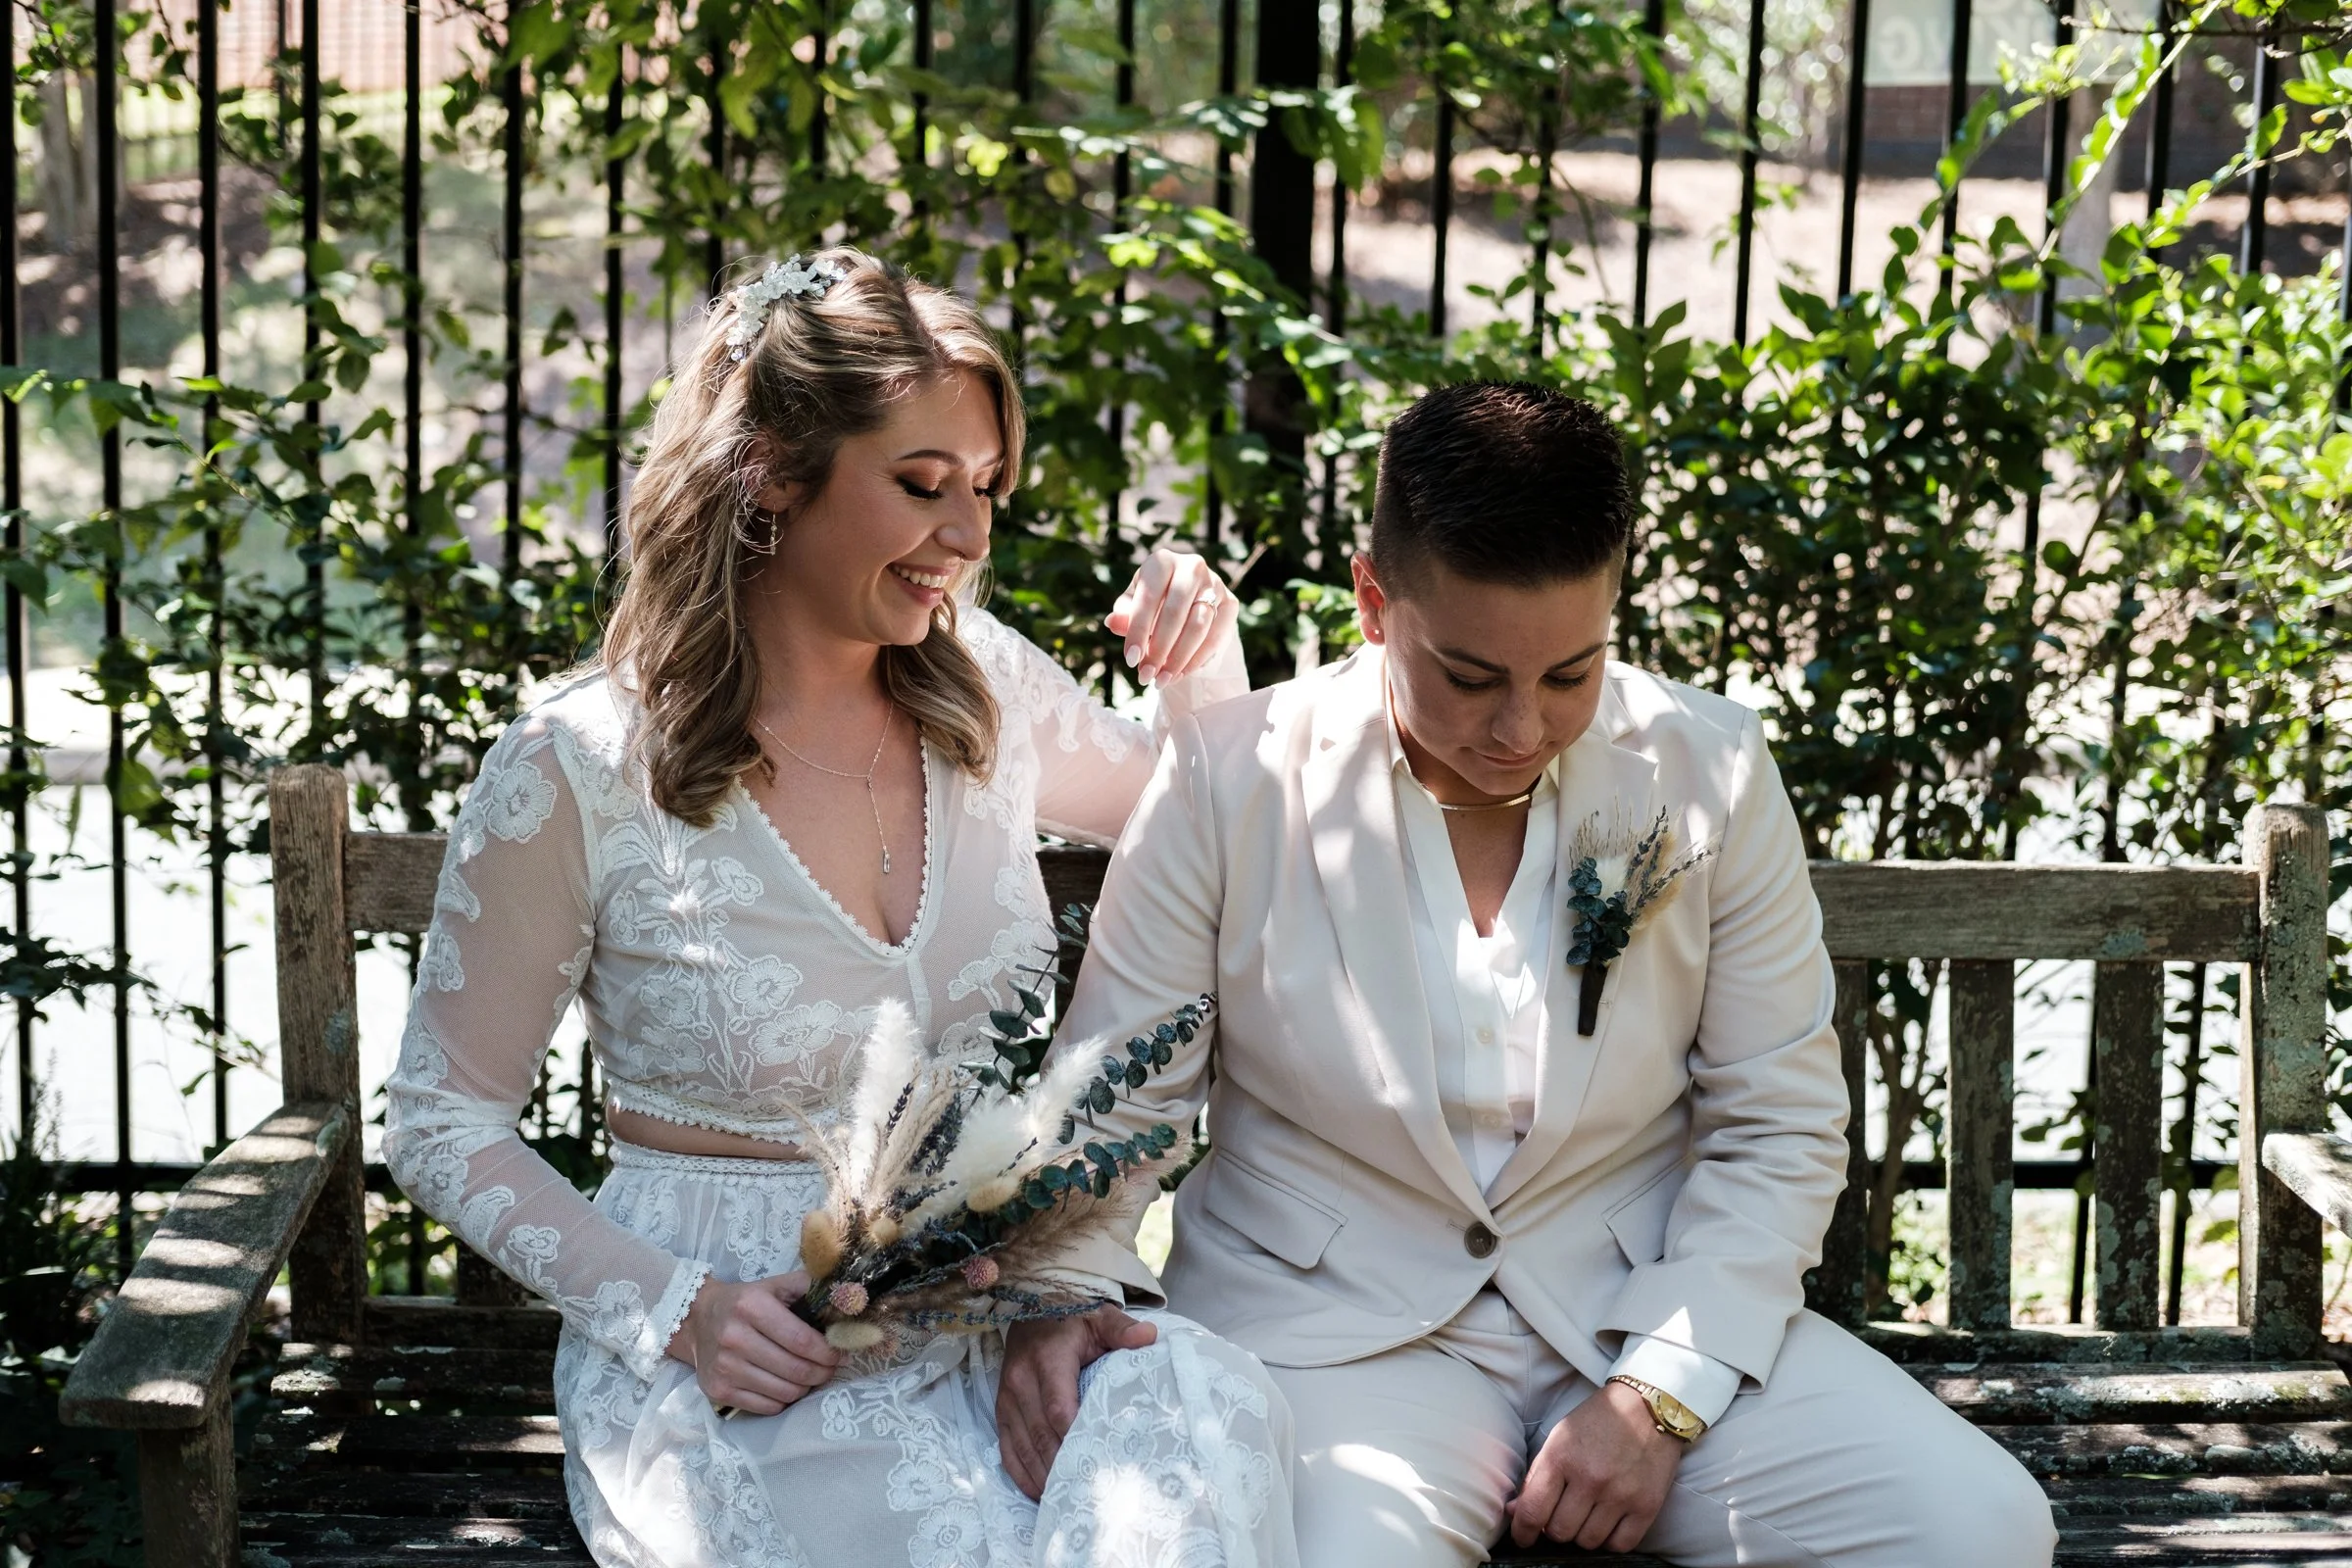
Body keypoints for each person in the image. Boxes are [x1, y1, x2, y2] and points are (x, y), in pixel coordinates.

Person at [1003, 381, 2057, 1567]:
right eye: (1468, 675)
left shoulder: (1709, 768)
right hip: (1335, 1339)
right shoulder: (1224, 776)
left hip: (1633, 1310)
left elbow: (1779, 1118)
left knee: (1982, 1527)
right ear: (1372, 600)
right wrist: (1054, 1299)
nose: (1519, 727)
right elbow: (1113, 1106)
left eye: (1570, 673)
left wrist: (1660, 1392)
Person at [384, 245, 1298, 1568]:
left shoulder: (982, 687)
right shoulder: (581, 765)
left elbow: (1209, 833)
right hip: (751, 1353)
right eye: (923, 486)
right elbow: (439, 1117)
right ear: (768, 470)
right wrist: (677, 1308)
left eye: (986, 489)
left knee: (1200, 1413)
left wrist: (1205, 657)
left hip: (999, 1302)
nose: (972, 537)